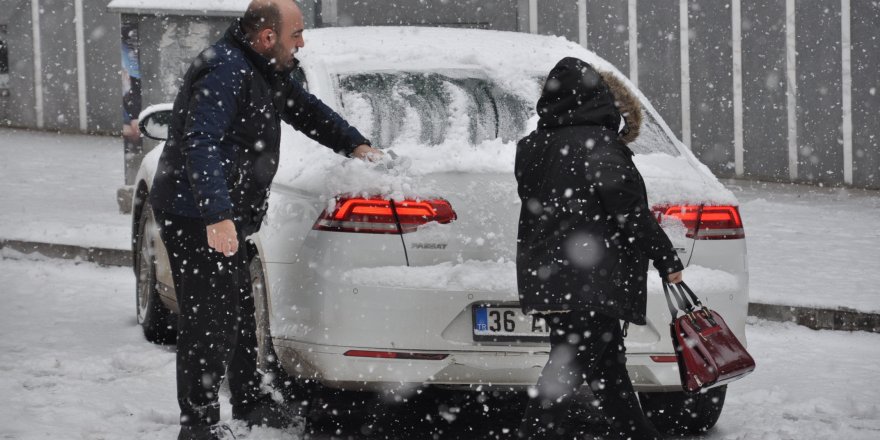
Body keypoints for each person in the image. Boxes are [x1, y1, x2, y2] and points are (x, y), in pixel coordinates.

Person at [148, 1, 381, 439]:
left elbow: (306, 110)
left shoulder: (261, 68)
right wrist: (217, 216)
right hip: (195, 213)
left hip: (225, 212)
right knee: (209, 319)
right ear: (268, 37)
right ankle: (197, 427)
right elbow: (201, 143)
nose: (302, 43)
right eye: (296, 35)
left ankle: (250, 401)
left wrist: (356, 145)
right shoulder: (225, 69)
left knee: (236, 305)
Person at [515, 57, 684, 439]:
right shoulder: (602, 146)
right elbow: (630, 212)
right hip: (592, 281)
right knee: (563, 377)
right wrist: (666, 257)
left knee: (609, 374)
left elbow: (541, 202)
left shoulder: (532, 147)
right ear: (599, 99)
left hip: (551, 277)